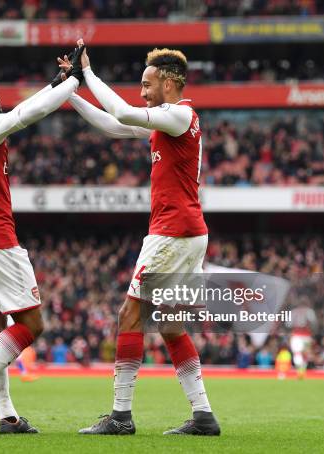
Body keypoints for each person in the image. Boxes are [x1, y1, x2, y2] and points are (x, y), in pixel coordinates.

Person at [62, 40, 220, 436]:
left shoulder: (179, 115)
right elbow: (115, 125)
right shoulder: (169, 123)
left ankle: (121, 416)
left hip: (172, 232)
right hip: (186, 232)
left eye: (147, 84)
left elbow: (122, 110)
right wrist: (71, 94)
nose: (142, 91)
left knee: (129, 315)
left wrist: (88, 74)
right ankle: (203, 416)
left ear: (168, 82)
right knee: (168, 323)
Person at [0, 47, 85, 435]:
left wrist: (55, 83)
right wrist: (75, 81)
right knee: (32, 324)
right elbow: (28, 113)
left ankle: (7, 418)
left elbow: (24, 106)